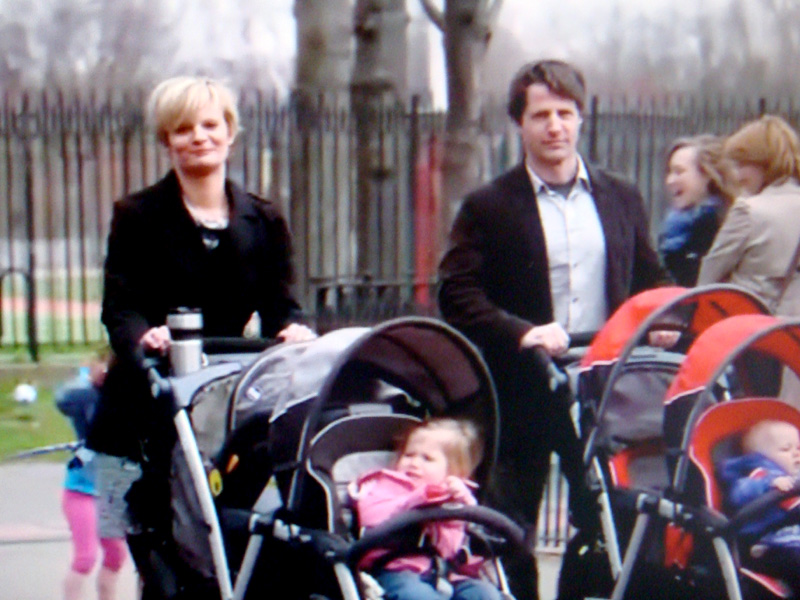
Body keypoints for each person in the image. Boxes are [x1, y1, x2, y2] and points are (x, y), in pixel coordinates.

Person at [438, 59, 665, 599]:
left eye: (565, 113)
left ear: (581, 117)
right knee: (510, 524)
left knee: (604, 516)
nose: (555, 127)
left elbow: (650, 276)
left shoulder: (620, 196)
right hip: (520, 385)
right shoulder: (489, 205)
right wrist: (520, 331)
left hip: (600, 385)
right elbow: (457, 293)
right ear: (520, 123)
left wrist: (661, 317)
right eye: (540, 115)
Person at [84, 76, 315, 597]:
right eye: (183, 128)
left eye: (210, 125)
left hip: (221, 408)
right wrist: (144, 337)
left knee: (219, 545)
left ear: (230, 133)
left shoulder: (264, 219)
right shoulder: (136, 215)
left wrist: (291, 329)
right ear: (166, 140)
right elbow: (119, 307)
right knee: (153, 553)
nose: (198, 137)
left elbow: (281, 303)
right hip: (141, 410)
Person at [349, 418, 501, 600]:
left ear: (453, 472)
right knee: (418, 595)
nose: (414, 463)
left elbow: (452, 544)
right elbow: (372, 516)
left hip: (442, 572)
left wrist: (459, 506)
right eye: (408, 455)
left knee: (484, 593)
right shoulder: (386, 483)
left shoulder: (449, 496)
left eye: (426, 459)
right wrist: (421, 498)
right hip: (395, 570)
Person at [697, 115, 800, 316]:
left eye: (742, 165)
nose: (737, 176)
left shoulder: (748, 211)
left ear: (765, 163)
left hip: (750, 326)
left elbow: (707, 282)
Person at [56, 351, 127, 600]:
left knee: (116, 554)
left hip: (109, 493)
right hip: (81, 492)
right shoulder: (86, 396)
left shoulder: (123, 399)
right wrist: (89, 378)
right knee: (85, 558)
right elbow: (64, 399)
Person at [719, 419, 800, 592]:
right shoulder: (760, 472)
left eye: (798, 448)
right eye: (786, 449)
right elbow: (739, 494)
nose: (796, 454)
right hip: (769, 544)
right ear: (761, 456)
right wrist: (769, 483)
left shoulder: (795, 476)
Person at [658, 135, 732, 286]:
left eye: (679, 172)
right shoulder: (674, 228)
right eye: (669, 172)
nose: (670, 180)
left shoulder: (718, 225)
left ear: (706, 175)